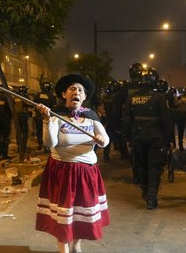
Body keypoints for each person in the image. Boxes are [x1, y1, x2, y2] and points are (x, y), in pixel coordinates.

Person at [35, 73, 110, 253]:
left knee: (79, 214)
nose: (76, 92)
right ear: (64, 95)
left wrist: (100, 140)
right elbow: (50, 144)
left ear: (84, 97)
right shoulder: (55, 115)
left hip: (86, 174)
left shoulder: (91, 116)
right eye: (72, 89)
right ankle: (64, 250)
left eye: (80, 90)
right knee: (64, 215)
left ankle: (77, 247)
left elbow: (106, 141)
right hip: (62, 173)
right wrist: (46, 120)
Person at [122, 68, 173, 209]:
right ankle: (151, 197)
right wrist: (170, 140)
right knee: (154, 166)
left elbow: (126, 120)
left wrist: (127, 138)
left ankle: (145, 191)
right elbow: (166, 120)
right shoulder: (159, 97)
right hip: (156, 137)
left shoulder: (131, 98)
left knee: (141, 165)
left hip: (137, 137)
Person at [33, 82, 56, 151]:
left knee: (39, 131)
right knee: (47, 131)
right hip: (47, 117)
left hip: (38, 116)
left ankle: (40, 144)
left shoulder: (38, 95)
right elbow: (54, 107)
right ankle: (47, 146)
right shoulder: (52, 96)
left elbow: (34, 104)